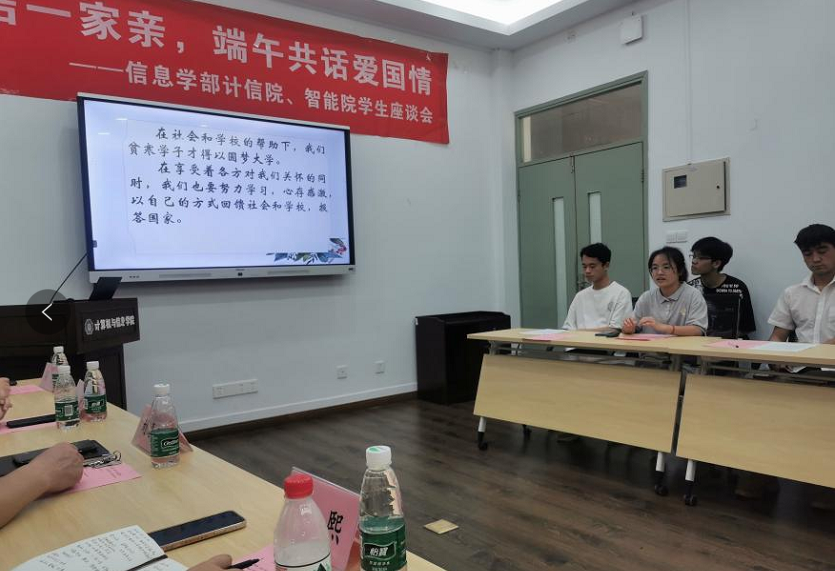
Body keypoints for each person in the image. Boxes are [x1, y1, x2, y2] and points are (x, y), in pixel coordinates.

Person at [735, 224, 835, 505]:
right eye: (808, 254)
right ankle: (760, 476)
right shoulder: (793, 293)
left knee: (818, 410)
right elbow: (778, 335)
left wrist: (813, 353)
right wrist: (775, 358)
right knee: (755, 397)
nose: (815, 259)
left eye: (822, 251)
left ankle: (825, 486)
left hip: (828, 372)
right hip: (800, 371)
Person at [623, 246, 708, 336]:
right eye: (655, 268)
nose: (659, 272)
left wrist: (665, 328)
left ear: (680, 271)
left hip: (680, 345)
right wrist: (628, 328)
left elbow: (698, 330)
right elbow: (633, 325)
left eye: (666, 267)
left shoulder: (693, 295)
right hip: (650, 345)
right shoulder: (646, 297)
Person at [688, 236, 756, 337]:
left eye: (701, 258)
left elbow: (746, 328)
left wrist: (717, 337)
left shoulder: (737, 287)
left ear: (716, 263)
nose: (694, 261)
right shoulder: (691, 288)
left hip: (730, 343)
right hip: (698, 341)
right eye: (693, 256)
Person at [563, 243, 632, 331]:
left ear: (606, 265)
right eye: (584, 266)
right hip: (578, 339)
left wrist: (578, 333)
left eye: (592, 266)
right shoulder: (580, 296)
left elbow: (615, 329)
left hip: (605, 340)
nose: (587, 271)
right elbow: (568, 328)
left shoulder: (621, 293)